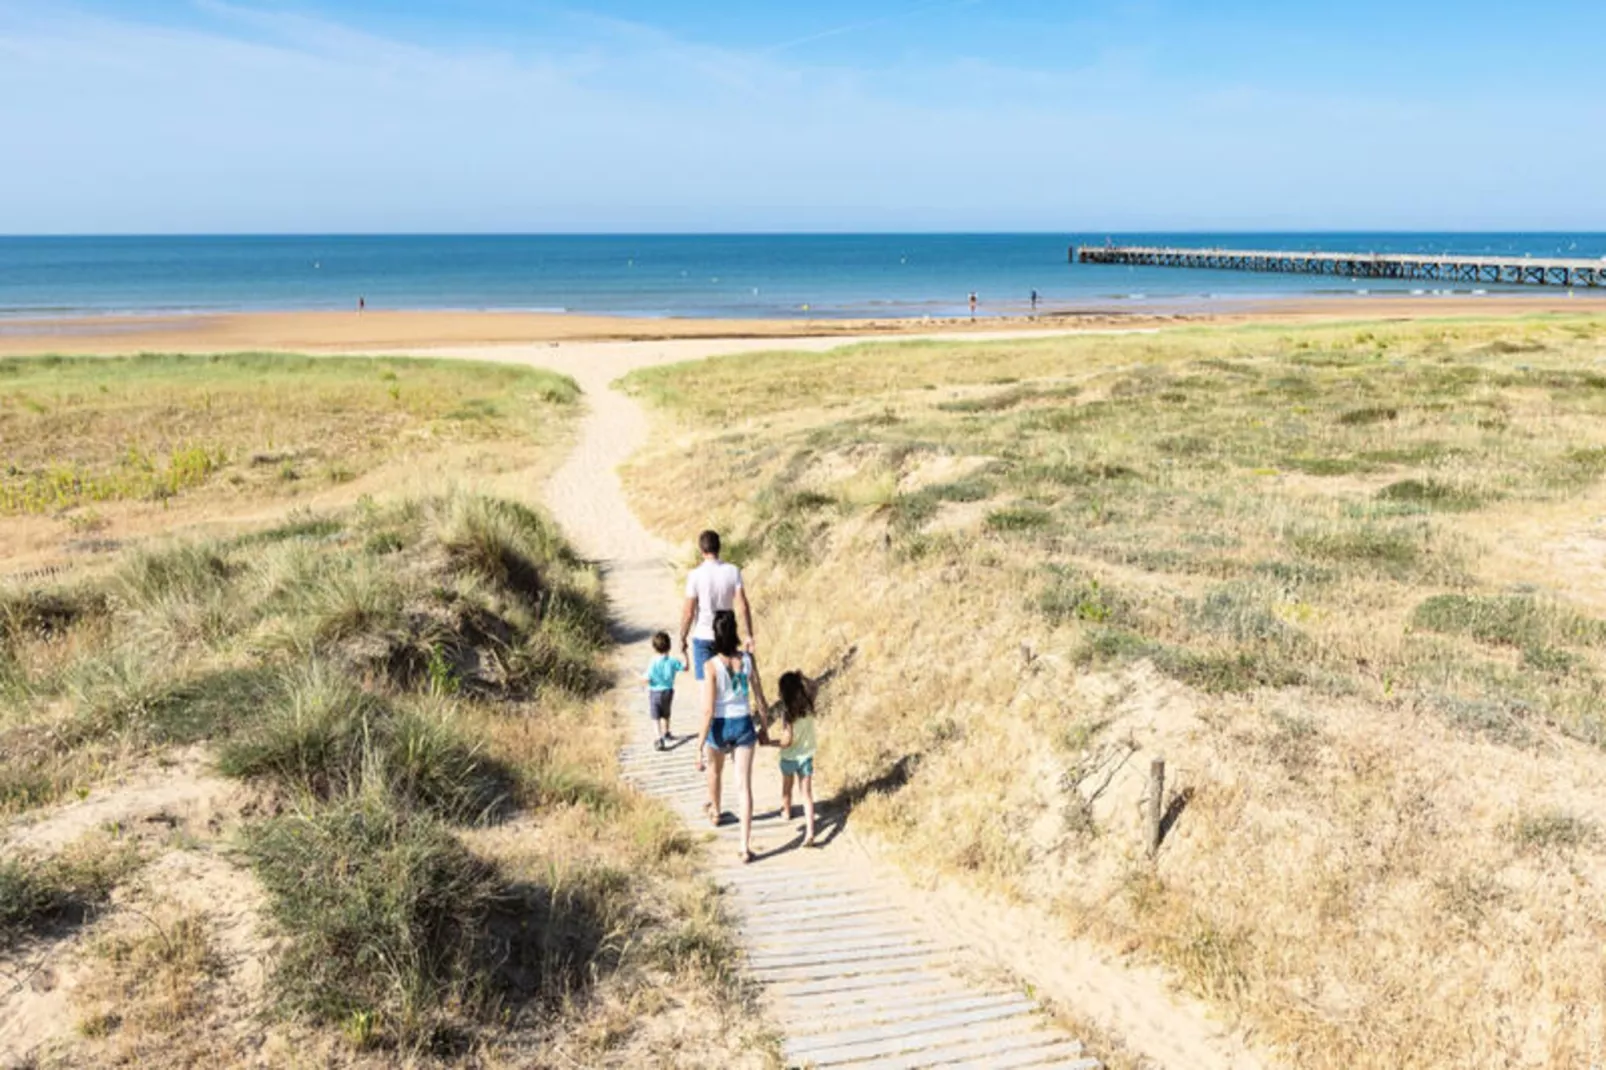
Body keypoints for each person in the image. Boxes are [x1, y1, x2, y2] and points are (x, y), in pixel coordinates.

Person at [696, 615, 769, 862]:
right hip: (743, 724)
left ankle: (715, 810)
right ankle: (744, 846)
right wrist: (765, 727)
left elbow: (707, 709)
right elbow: (760, 698)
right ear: (735, 632)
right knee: (744, 787)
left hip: (719, 724)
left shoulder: (711, 665)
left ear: (716, 637)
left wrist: (699, 745)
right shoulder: (748, 660)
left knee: (715, 772)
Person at [680, 530, 753, 682]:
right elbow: (743, 605)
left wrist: (683, 637)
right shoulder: (733, 571)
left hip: (703, 635)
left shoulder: (695, 575)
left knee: (705, 686)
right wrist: (748, 634)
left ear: (701, 550)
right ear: (719, 548)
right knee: (729, 683)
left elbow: (689, 612)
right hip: (727, 635)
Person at [763, 671, 819, 847]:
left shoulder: (788, 714)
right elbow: (815, 686)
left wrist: (769, 742)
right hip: (806, 756)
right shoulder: (809, 707)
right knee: (807, 794)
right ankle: (810, 831)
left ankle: (786, 811)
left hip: (789, 758)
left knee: (787, 787)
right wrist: (802, 677)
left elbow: (787, 741)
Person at [641, 631, 684, 751]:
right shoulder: (672, 661)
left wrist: (642, 681)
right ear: (669, 646)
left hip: (655, 692)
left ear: (654, 648)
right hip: (668, 692)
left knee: (655, 717)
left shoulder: (653, 661)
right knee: (666, 714)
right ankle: (667, 732)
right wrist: (685, 654)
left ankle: (658, 738)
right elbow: (685, 667)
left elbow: (647, 678)